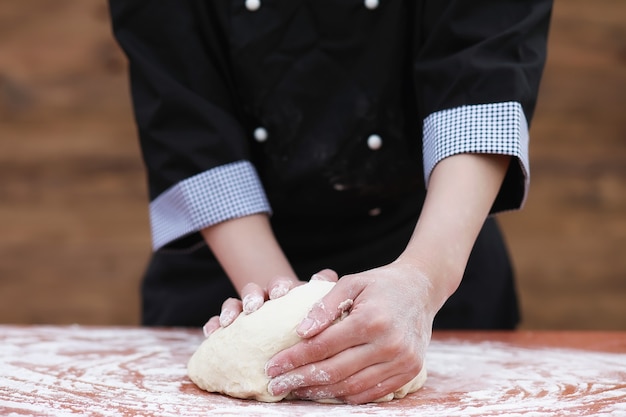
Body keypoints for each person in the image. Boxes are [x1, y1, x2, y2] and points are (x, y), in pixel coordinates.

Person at [109, 0, 553, 404]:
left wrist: (422, 278)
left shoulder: (428, 273)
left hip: (433, 246)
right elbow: (185, 116)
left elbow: (484, 74)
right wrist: (280, 314)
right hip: (228, 271)